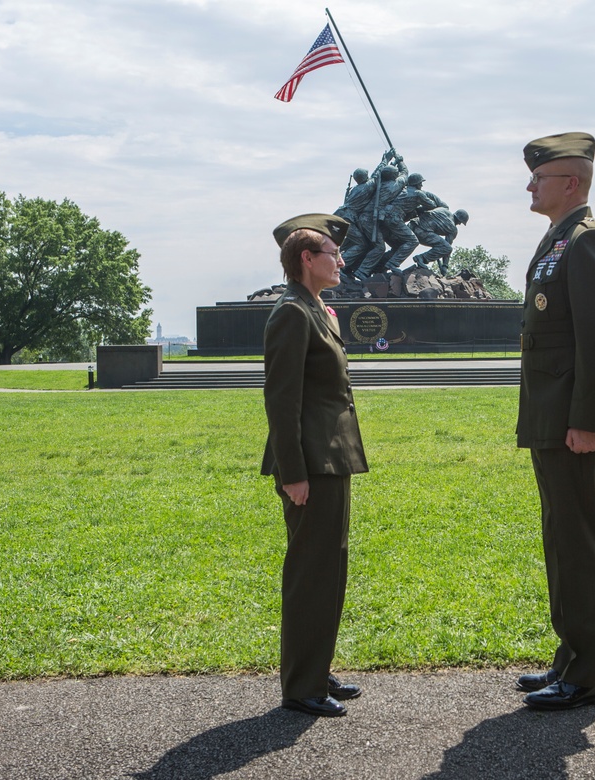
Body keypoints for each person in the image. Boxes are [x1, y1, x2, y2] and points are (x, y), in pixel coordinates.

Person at [514, 132, 595, 710]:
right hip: (553, 417)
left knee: (580, 542)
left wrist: (590, 420)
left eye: (539, 177)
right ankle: (571, 657)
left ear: (572, 182)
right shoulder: (559, 239)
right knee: (562, 538)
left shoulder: (587, 241)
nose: (530, 185)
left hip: (575, 423)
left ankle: (589, 675)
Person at [261, 213, 369, 717]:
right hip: (310, 465)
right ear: (307, 259)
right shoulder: (291, 313)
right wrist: (292, 472)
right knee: (311, 572)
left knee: (329, 569)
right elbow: (281, 401)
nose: (342, 260)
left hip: (332, 458)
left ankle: (316, 667)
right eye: (333, 253)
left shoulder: (318, 309)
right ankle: (301, 686)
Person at [410, 207, 468, 274]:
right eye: (460, 222)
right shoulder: (453, 229)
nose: (459, 224)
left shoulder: (443, 209)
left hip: (413, 224)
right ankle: (421, 258)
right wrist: (445, 266)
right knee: (447, 248)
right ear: (459, 220)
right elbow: (446, 249)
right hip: (422, 231)